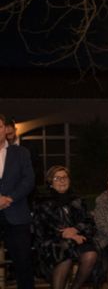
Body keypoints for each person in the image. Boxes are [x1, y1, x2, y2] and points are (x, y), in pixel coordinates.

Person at [33, 166, 100, 289]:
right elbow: (40, 228)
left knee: (91, 254)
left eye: (65, 177)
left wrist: (75, 230)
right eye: (57, 178)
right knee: (64, 253)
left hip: (77, 238)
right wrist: (62, 234)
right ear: (51, 183)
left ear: (69, 180)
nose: (62, 180)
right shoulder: (42, 202)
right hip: (52, 241)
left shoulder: (78, 200)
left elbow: (89, 222)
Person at [0, 113, 35, 289]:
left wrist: (10, 198)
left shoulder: (21, 153)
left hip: (17, 214)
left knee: (23, 262)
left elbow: (28, 180)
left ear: (5, 129)